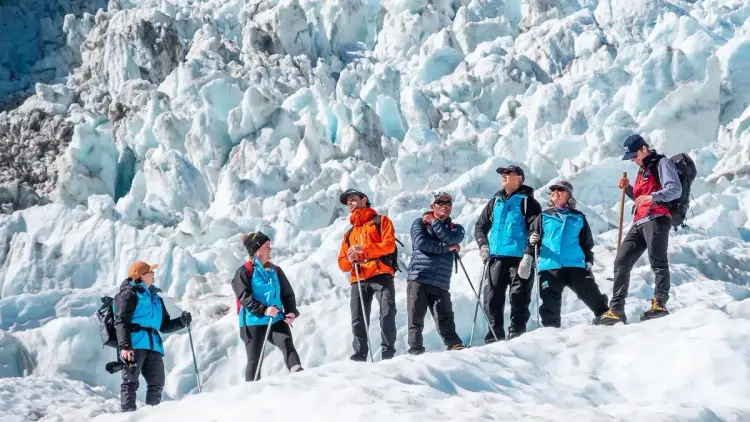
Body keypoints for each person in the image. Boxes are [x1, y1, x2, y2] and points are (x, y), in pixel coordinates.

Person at [594, 135, 682, 325]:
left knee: (658, 261)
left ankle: (659, 305)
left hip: (658, 218)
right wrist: (628, 190)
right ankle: (616, 310)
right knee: (621, 261)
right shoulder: (643, 170)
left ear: (644, 149)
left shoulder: (661, 163)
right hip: (640, 221)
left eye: (634, 155)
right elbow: (641, 198)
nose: (633, 159)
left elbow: (675, 189)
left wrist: (653, 197)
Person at [518, 181, 609, 327]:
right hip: (550, 267)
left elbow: (586, 244)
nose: (555, 192)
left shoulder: (579, 217)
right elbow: (532, 240)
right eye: (553, 190)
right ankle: (551, 332)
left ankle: (606, 318)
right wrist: (532, 241)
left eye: (560, 190)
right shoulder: (543, 217)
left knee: (592, 294)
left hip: (576, 265)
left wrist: (589, 260)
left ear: (569, 196)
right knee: (549, 304)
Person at [474, 165, 542, 341]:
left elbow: (536, 230)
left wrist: (528, 255)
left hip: (520, 258)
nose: (503, 176)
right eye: (502, 173)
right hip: (496, 258)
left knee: (519, 298)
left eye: (508, 173)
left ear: (519, 178)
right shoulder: (495, 202)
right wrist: (483, 245)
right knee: (492, 298)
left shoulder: (528, 202)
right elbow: (480, 226)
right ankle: (494, 336)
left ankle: (516, 335)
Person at [114, 261, 192, 412]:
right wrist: (124, 346)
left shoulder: (156, 298)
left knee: (157, 383)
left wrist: (182, 321)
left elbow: (164, 325)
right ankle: (128, 416)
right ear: (142, 276)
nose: (153, 274)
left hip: (153, 346)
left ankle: (151, 416)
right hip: (134, 345)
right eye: (150, 272)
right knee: (130, 382)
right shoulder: (129, 294)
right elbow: (121, 321)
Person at [231, 231, 303, 381]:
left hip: (275, 319)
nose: (270, 249)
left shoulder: (276, 270)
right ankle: (250, 393)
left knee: (286, 342)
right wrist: (263, 310)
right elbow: (244, 297)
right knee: (254, 360)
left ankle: (299, 374)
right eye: (266, 246)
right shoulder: (244, 272)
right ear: (257, 250)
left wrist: (291, 311)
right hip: (252, 322)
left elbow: (287, 294)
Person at [337, 188, 398, 361]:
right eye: (348, 202)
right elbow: (342, 263)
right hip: (359, 277)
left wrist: (363, 251)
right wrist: (350, 258)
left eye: (353, 199)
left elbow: (389, 246)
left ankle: (388, 353)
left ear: (364, 200)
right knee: (358, 319)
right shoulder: (349, 234)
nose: (350, 203)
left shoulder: (381, 221)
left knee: (387, 312)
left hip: (381, 274)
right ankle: (359, 355)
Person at [406, 192, 466, 355]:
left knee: (445, 316)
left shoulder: (457, 229)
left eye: (448, 203)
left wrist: (433, 221)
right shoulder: (419, 223)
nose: (445, 206)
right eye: (440, 203)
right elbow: (421, 243)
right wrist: (446, 249)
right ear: (432, 206)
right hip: (419, 276)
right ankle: (415, 348)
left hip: (440, 280)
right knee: (415, 317)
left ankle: (454, 345)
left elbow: (449, 239)